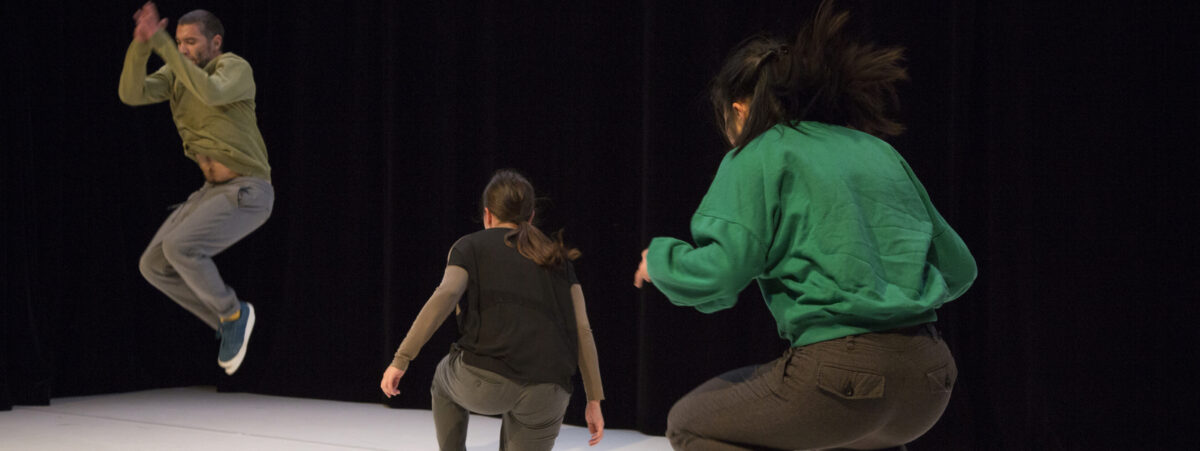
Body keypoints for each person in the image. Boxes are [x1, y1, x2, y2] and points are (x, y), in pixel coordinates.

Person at [633, 1, 977, 449]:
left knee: (688, 422)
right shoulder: (878, 151)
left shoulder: (761, 152)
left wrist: (661, 262)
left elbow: (721, 273)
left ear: (739, 110)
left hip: (841, 378)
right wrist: (895, 301)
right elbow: (960, 269)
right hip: (929, 381)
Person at [380, 170, 606, 451]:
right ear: (531, 216)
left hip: (486, 381)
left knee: (442, 378)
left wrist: (401, 359)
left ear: (487, 215)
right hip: (550, 391)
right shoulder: (557, 259)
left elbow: (446, 295)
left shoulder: (470, 247)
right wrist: (594, 399)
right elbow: (582, 329)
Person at [119, 2, 273, 376]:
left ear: (215, 42)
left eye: (191, 42)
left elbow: (212, 93)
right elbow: (132, 93)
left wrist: (163, 45)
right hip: (212, 190)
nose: (183, 49)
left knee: (180, 247)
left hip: (248, 190)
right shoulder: (177, 73)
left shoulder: (234, 67)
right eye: (178, 42)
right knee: (153, 264)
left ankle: (233, 313)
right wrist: (141, 46)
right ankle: (227, 318)